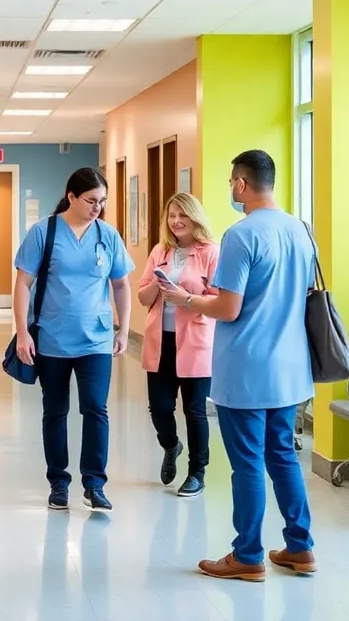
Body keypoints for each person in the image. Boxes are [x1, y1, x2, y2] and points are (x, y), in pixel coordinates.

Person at [157, 149, 316, 581]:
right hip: (289, 367)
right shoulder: (302, 231)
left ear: (242, 184)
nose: (231, 189)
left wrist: (186, 299)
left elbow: (228, 308)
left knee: (247, 462)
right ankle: (301, 547)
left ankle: (247, 555)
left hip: (247, 369)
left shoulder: (241, 235)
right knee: (282, 456)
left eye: (231, 183)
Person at [13, 167, 134, 512]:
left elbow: (121, 284)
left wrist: (122, 329)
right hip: (51, 339)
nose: (98, 207)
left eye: (103, 202)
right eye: (91, 200)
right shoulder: (44, 232)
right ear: (71, 197)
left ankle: (95, 482)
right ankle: (58, 482)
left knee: (96, 408)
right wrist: (23, 332)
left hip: (95, 339)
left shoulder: (107, 235)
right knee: (55, 410)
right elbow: (23, 284)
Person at [136, 192, 219, 498]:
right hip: (161, 340)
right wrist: (158, 287)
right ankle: (171, 446)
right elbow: (142, 296)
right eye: (171, 216)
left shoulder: (211, 252)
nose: (176, 221)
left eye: (182, 215)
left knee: (194, 410)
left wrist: (185, 297)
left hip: (196, 340)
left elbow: (219, 299)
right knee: (159, 408)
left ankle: (197, 472)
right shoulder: (161, 251)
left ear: (195, 217)